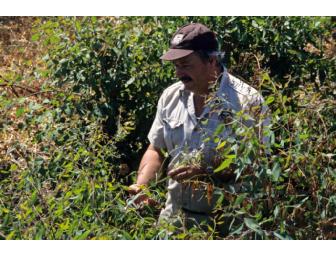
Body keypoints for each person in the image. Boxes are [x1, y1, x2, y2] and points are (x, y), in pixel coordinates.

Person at [128, 23, 270, 233]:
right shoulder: (170, 97)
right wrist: (141, 186)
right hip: (175, 218)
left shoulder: (247, 102)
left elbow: (258, 166)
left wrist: (207, 172)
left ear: (211, 61)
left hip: (227, 223)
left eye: (185, 65)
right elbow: (155, 149)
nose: (179, 73)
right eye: (175, 66)